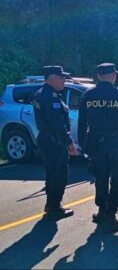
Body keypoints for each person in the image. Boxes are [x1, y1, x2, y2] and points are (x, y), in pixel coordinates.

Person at [78, 63, 118, 233]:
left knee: (101, 178)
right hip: (116, 144)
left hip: (96, 143)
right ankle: (111, 214)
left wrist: (83, 145)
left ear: (99, 76)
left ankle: (101, 211)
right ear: (113, 76)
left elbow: (82, 123)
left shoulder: (88, 95)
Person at [33, 65, 78, 220]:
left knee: (52, 174)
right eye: (61, 77)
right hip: (54, 142)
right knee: (59, 175)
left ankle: (51, 204)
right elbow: (57, 123)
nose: (64, 80)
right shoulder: (50, 97)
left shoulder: (43, 93)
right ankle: (54, 207)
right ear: (51, 78)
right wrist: (69, 142)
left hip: (48, 140)